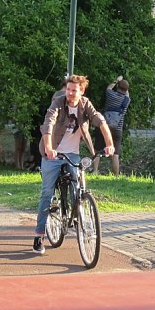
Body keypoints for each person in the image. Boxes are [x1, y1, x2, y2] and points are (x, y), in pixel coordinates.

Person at [32, 74, 114, 255]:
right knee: (46, 193)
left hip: (73, 154)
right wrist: (48, 148)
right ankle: (39, 235)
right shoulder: (58, 103)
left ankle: (79, 214)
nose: (70, 93)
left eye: (74, 90)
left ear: (81, 91)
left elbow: (100, 121)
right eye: (68, 89)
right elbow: (48, 125)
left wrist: (109, 144)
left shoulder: (85, 104)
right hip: (52, 153)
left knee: (78, 186)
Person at [93, 75, 130, 176]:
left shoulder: (110, 95)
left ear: (117, 87)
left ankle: (95, 170)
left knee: (97, 149)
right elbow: (127, 93)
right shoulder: (126, 100)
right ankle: (116, 175)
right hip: (118, 128)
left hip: (105, 126)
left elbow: (109, 87)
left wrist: (117, 80)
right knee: (115, 154)